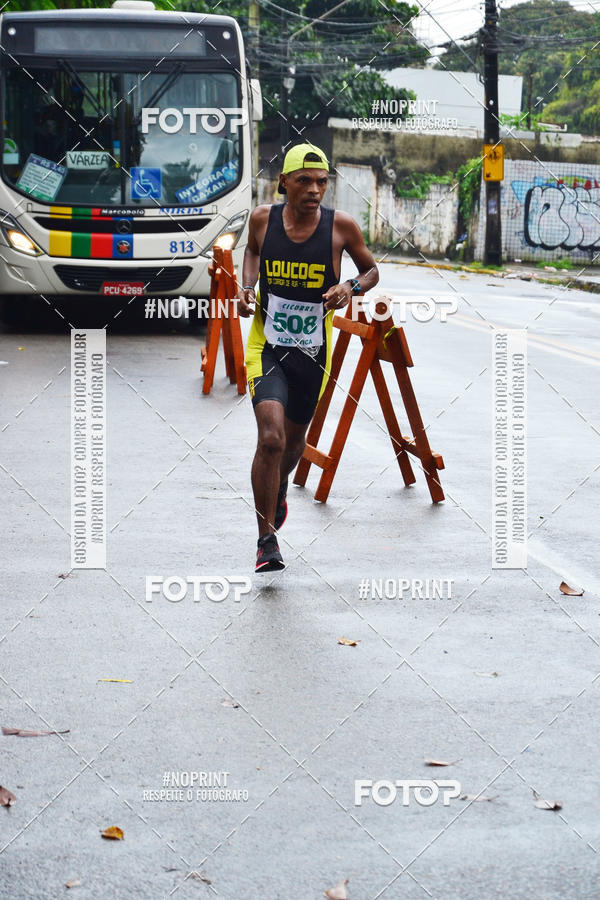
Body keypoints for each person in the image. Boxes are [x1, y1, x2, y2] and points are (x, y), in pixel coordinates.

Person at [237, 142, 379, 573]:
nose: (315, 190)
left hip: (313, 355)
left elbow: (372, 271)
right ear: (284, 182)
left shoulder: (342, 228)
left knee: (294, 445)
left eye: (321, 182)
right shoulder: (262, 219)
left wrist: (349, 288)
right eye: (304, 181)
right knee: (271, 439)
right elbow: (251, 252)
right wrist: (246, 289)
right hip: (268, 348)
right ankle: (266, 540)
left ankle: (277, 491)